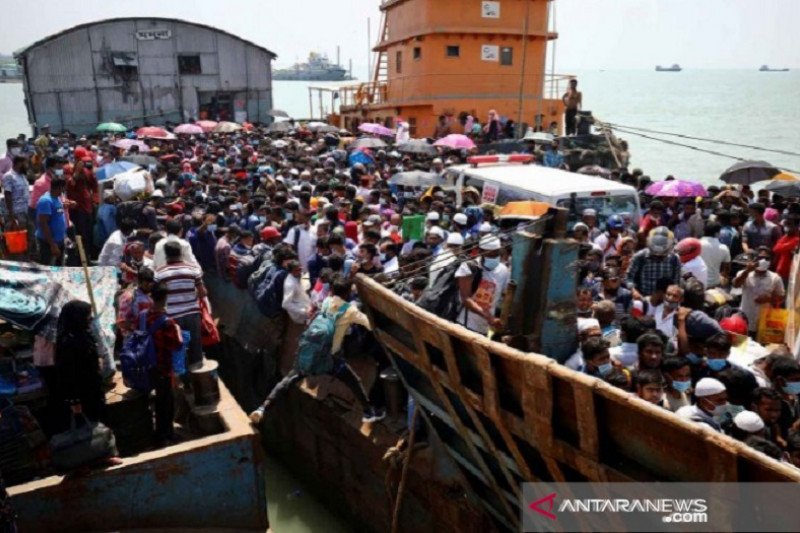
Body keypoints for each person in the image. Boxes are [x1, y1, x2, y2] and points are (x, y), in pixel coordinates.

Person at [250, 276, 386, 424]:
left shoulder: (326, 302)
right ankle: (368, 411)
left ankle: (263, 407)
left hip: (309, 354)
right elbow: (370, 325)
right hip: (331, 360)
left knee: (288, 380)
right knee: (353, 381)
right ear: (347, 293)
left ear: (332, 291)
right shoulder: (350, 310)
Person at [143, 282, 184, 445]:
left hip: (147, 365)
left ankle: (159, 433)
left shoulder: (143, 315)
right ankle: (165, 435)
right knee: (166, 402)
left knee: (158, 400)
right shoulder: (168, 322)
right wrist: (178, 331)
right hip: (163, 367)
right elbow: (177, 345)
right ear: (166, 298)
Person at [154, 241, 205, 369]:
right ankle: (197, 378)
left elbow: (157, 298)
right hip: (192, 314)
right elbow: (203, 292)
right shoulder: (193, 270)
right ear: (181, 253)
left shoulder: (159, 273)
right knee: (195, 346)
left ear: (166, 255)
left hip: (172, 316)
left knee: (176, 346)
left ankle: (181, 380)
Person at [456, 236, 510, 335]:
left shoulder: (503, 271)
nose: (493, 257)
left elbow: (505, 295)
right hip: (465, 325)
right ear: (480, 251)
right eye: (490, 255)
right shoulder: (469, 267)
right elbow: (466, 299)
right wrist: (488, 317)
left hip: (484, 328)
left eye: (496, 254)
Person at [733, 249, 785, 337]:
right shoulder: (744, 274)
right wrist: (747, 271)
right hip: (745, 318)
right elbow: (736, 284)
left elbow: (781, 296)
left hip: (763, 322)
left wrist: (768, 299)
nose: (763, 261)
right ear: (754, 259)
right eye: (760, 258)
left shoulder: (775, 278)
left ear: (770, 261)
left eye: (766, 258)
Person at [626, 227, 681, 299]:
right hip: (643, 298)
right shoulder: (640, 257)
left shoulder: (674, 259)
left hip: (666, 300)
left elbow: (676, 282)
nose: (658, 257)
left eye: (661, 256)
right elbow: (628, 278)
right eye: (655, 255)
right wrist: (634, 291)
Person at [35, 176, 68, 266]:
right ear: (60, 188)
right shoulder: (45, 201)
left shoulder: (57, 198)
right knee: (47, 270)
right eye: (64, 188)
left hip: (60, 241)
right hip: (48, 244)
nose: (65, 190)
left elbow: (58, 214)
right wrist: (52, 245)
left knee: (59, 271)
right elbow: (43, 224)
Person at [2, 155, 31, 241]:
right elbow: (8, 196)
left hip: (25, 211)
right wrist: (12, 217)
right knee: (16, 240)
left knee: (27, 238)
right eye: (25, 163)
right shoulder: (9, 176)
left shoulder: (22, 175)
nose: (27, 165)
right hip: (16, 213)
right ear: (19, 163)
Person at [699, 221, 731, 288]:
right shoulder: (724, 248)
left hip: (697, 284)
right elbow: (727, 268)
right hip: (714, 284)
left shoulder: (696, 244)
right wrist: (722, 276)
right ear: (718, 233)